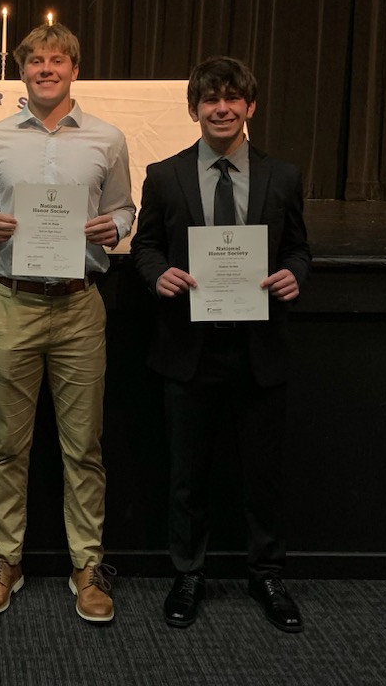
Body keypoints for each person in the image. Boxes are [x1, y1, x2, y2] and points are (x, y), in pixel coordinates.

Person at [132, 55, 311, 633]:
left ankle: (267, 574)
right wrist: (156, 273)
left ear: (250, 107)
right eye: (211, 100)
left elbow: (298, 250)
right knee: (188, 473)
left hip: (260, 347)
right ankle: (189, 572)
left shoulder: (282, 175)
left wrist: (295, 275)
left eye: (233, 98)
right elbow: (146, 246)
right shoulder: (164, 175)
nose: (222, 108)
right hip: (189, 346)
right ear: (194, 109)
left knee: (264, 473)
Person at [0, 23, 134, 624]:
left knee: (83, 447)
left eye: (56, 60)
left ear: (73, 69)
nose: (45, 69)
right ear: (22, 70)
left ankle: (86, 565)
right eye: (34, 60)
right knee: (7, 446)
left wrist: (113, 228)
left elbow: (123, 208)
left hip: (79, 305)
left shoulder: (107, 139)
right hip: (12, 301)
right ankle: (4, 560)